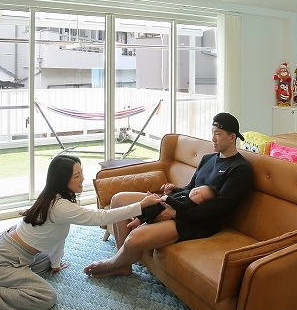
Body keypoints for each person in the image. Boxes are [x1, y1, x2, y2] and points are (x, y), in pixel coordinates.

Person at [0, 155, 161, 310]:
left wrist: (54, 263)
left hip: (13, 252)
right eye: (77, 176)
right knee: (46, 297)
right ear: (63, 180)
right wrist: (141, 205)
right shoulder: (61, 206)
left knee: (45, 264)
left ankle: (9, 279)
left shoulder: (53, 197)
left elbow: (58, 235)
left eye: (81, 173)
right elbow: (100, 217)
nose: (83, 179)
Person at [83, 112, 253, 278]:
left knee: (135, 238)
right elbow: (190, 188)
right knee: (118, 199)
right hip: (181, 203)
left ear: (232, 137)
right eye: (212, 133)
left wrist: (176, 213)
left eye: (218, 134)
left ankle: (113, 263)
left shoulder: (240, 169)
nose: (213, 139)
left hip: (198, 222)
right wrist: (172, 192)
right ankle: (123, 264)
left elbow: (219, 208)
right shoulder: (208, 159)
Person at [127, 185, 217, 229]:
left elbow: (180, 206)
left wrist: (167, 198)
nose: (196, 192)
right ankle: (137, 220)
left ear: (201, 203)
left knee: (152, 210)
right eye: (197, 189)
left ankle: (147, 223)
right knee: (146, 205)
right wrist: (172, 189)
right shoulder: (187, 192)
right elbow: (179, 191)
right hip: (162, 199)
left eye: (200, 195)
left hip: (163, 207)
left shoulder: (190, 203)